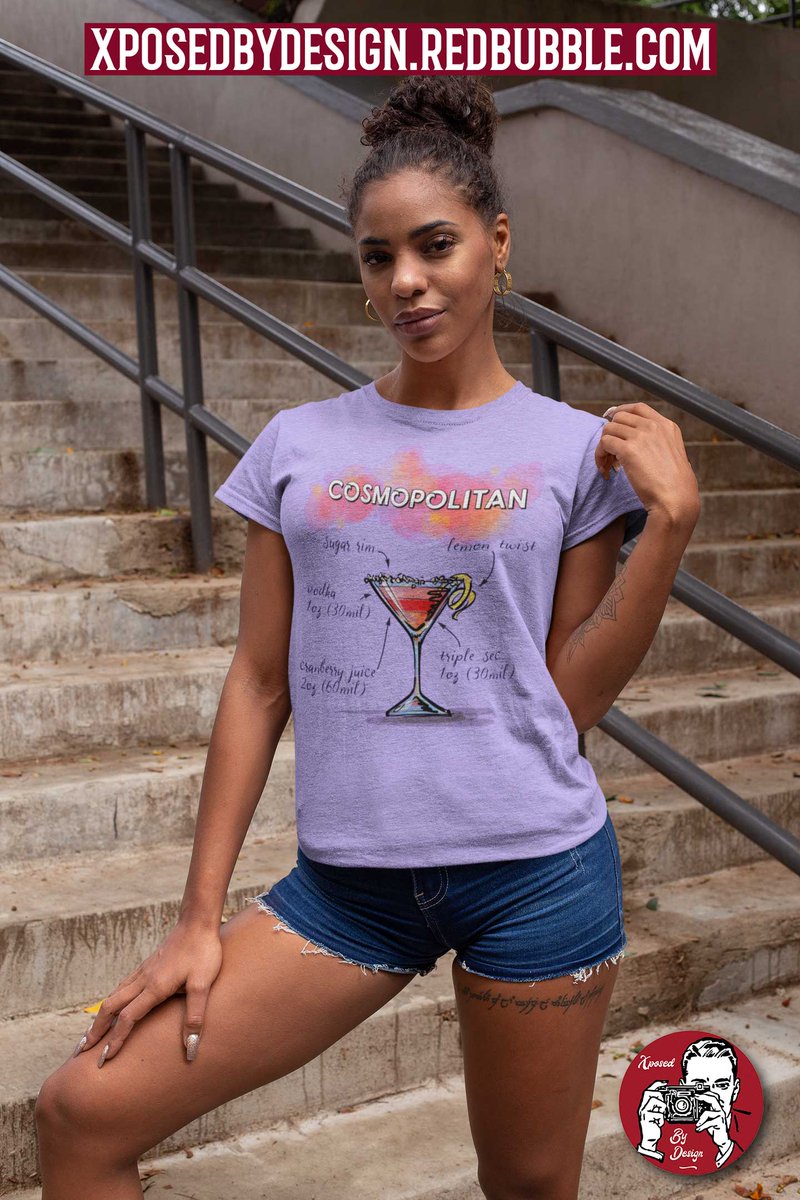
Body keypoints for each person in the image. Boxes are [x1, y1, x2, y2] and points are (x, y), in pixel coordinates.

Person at [34, 75, 701, 1200]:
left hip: (536, 870)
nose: (405, 282)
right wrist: (198, 919)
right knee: (80, 1113)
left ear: (496, 245)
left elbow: (567, 699)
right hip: (350, 889)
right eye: (377, 256)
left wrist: (667, 528)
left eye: (435, 246)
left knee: (527, 1187)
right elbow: (258, 682)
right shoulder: (300, 445)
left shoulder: (571, 451)